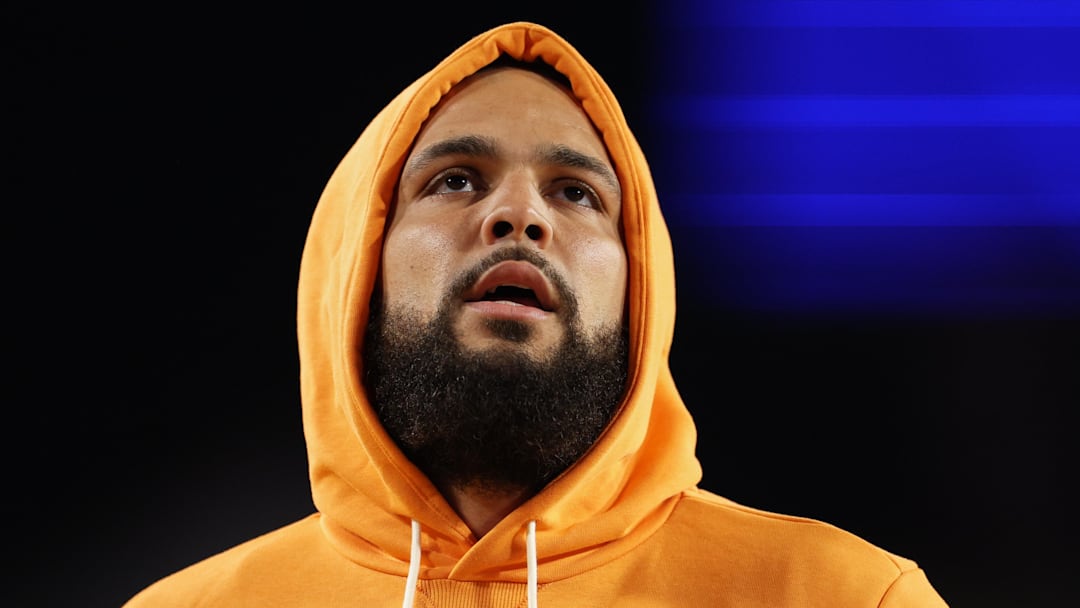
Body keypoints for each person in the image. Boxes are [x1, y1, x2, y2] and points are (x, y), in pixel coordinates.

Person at [123, 21, 949, 607]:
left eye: (577, 193)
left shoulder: (843, 596)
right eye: (455, 179)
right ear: (356, 267)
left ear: (642, 286)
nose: (519, 215)